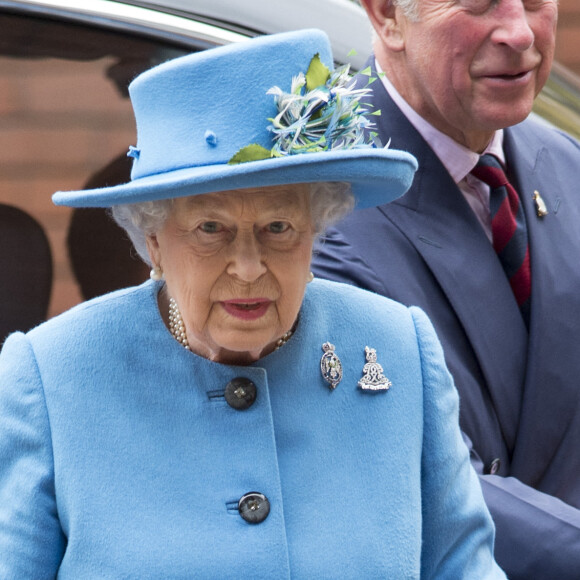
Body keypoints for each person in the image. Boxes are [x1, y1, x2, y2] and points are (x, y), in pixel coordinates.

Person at [0, 29, 506, 579]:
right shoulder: (51, 375)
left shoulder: (397, 350)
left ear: (316, 230)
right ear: (153, 241)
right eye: (210, 228)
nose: (247, 267)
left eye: (278, 227)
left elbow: (464, 567)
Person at [311, 2, 580, 578]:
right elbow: (416, 472)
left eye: (535, 0)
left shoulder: (563, 162)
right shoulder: (314, 205)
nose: (519, 31)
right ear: (386, 15)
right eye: (479, 3)